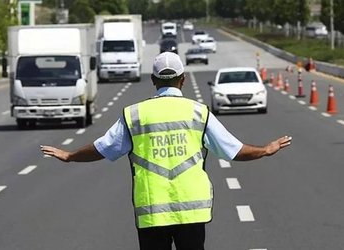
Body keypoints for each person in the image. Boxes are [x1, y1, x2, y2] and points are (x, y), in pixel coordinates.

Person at [41, 52, 292, 250]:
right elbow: (233, 150)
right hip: (192, 212)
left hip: (152, 212)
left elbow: (103, 148)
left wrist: (70, 156)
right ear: (182, 80)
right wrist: (265, 150)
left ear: (153, 80)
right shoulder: (198, 112)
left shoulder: (135, 115)